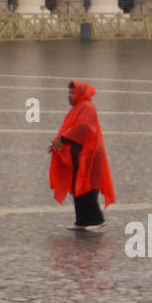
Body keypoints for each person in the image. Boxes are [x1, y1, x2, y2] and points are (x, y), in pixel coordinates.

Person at [48, 80, 115, 229]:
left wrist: (63, 139)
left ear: (80, 94)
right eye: (69, 93)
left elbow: (84, 128)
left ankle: (96, 220)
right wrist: (59, 142)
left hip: (90, 156)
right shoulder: (78, 108)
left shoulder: (87, 107)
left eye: (73, 93)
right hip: (79, 155)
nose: (69, 96)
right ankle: (82, 221)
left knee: (88, 189)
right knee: (77, 187)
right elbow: (69, 129)